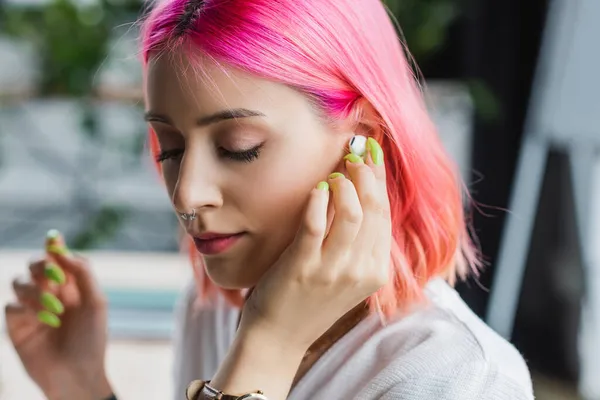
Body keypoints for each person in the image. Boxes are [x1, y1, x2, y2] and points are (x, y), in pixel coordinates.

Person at [4, 0, 535, 399]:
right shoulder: (212, 308)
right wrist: (82, 387)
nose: (187, 194)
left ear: (361, 145)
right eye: (170, 148)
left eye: (240, 148)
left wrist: (268, 347)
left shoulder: (456, 379)